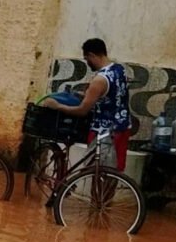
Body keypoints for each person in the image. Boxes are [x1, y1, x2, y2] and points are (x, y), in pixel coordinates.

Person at [44, 38, 130, 170]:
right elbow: (113, 95)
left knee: (96, 171)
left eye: (86, 58)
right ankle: (107, 191)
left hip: (103, 132)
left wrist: (57, 106)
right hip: (122, 127)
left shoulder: (99, 80)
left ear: (92, 55)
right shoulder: (120, 70)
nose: (87, 62)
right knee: (113, 171)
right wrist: (90, 95)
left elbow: (82, 110)